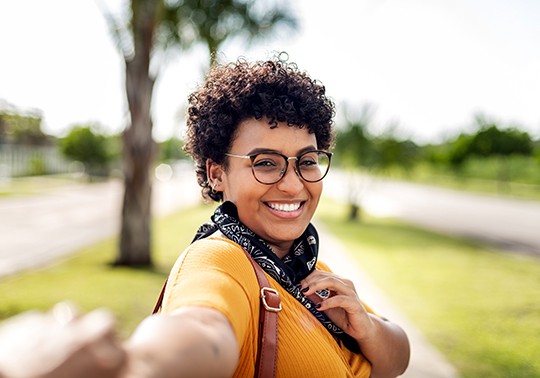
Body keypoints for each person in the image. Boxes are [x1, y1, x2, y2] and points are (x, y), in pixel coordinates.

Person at [0, 53, 410, 378]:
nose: (292, 184)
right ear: (217, 174)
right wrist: (135, 365)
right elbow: (202, 328)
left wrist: (365, 326)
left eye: (306, 161)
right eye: (266, 163)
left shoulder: (306, 264)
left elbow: (397, 357)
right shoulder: (218, 260)